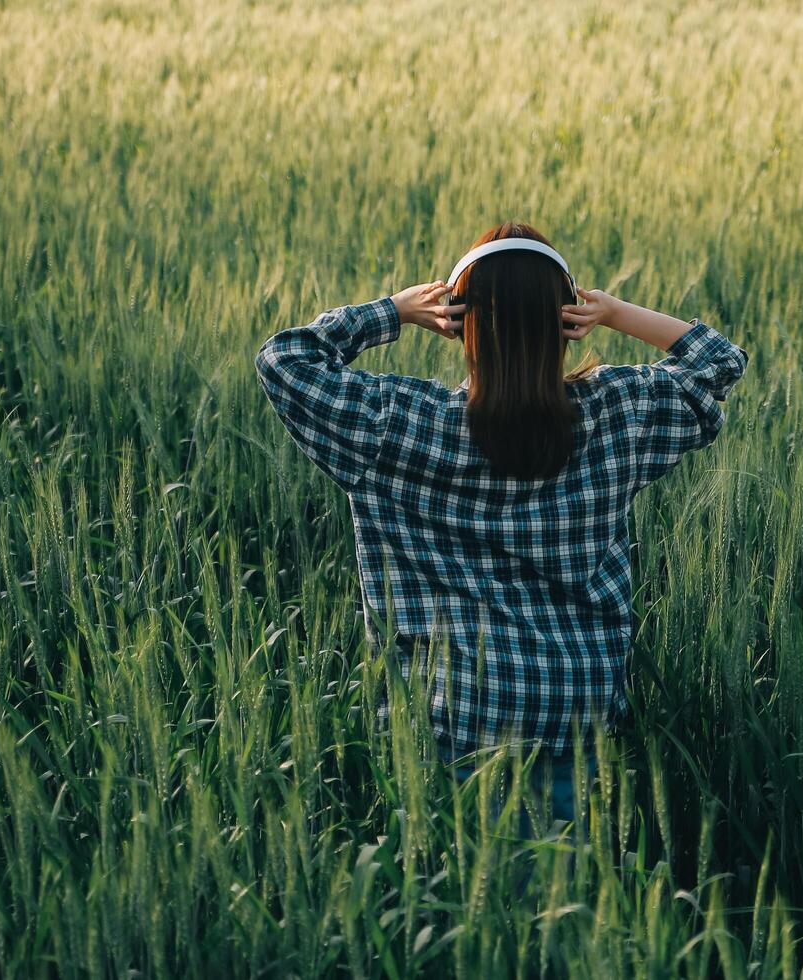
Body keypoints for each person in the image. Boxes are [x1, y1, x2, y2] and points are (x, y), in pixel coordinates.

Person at [255, 221, 748, 837]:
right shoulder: (615, 414)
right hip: (574, 710)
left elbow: (284, 360)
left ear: (462, 325)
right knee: (564, 898)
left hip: (449, 715)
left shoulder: (401, 424)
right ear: (566, 321)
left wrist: (394, 311)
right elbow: (717, 363)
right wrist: (616, 313)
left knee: (456, 897)